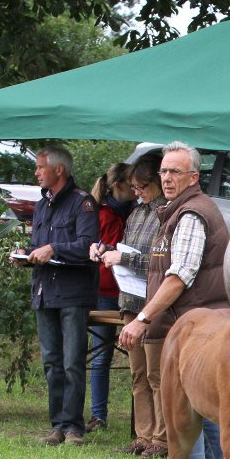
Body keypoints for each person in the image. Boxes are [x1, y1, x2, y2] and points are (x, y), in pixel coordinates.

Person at [117, 141, 230, 459]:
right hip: (192, 326)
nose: (166, 178)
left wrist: (142, 318)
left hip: (196, 329)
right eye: (164, 171)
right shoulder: (173, 212)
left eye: (174, 172)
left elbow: (180, 276)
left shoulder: (192, 214)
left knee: (193, 413)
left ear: (193, 177)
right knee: (203, 412)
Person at [12, 145, 99, 446]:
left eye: (40, 167)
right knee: (51, 361)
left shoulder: (82, 203)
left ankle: (74, 427)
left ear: (58, 170)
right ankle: (57, 425)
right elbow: (39, 245)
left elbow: (90, 246)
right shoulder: (40, 206)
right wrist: (24, 254)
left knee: (73, 360)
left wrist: (55, 249)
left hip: (73, 294)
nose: (36, 173)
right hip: (44, 291)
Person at [92, 154, 162, 456]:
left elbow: (163, 264)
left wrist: (125, 258)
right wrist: (107, 250)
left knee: (157, 374)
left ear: (157, 183)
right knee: (138, 373)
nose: (137, 193)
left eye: (142, 187)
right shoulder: (136, 213)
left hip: (155, 304)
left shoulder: (167, 214)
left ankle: (162, 439)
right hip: (130, 300)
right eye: (134, 188)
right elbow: (127, 249)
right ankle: (143, 435)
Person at [85, 163, 136, 433]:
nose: (136, 189)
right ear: (117, 186)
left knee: (138, 358)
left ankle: (141, 421)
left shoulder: (136, 212)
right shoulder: (102, 214)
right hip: (106, 291)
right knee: (102, 355)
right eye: (131, 184)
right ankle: (98, 414)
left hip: (132, 292)